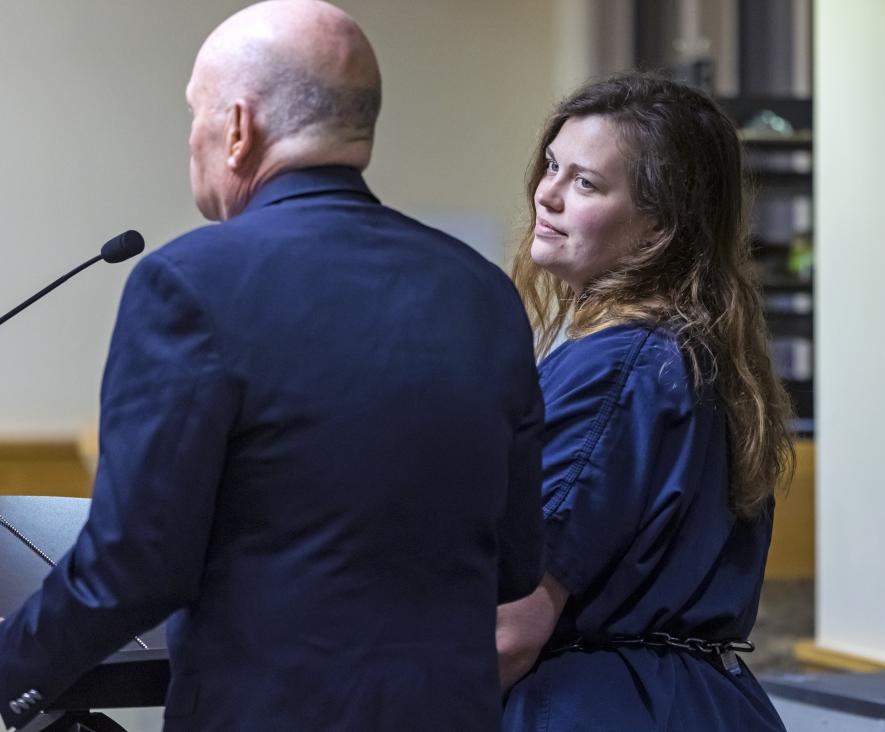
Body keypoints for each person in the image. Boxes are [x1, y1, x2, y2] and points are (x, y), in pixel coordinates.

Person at [0, 1, 544, 729]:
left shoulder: (190, 284)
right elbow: (513, 562)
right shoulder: (482, 294)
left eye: (194, 112)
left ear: (236, 127)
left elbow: (134, 566)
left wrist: (11, 669)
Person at [495, 72, 795, 731]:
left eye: (586, 183)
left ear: (659, 226)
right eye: (552, 166)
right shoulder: (695, 355)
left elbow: (512, 626)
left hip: (599, 709)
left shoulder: (617, 366)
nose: (547, 195)